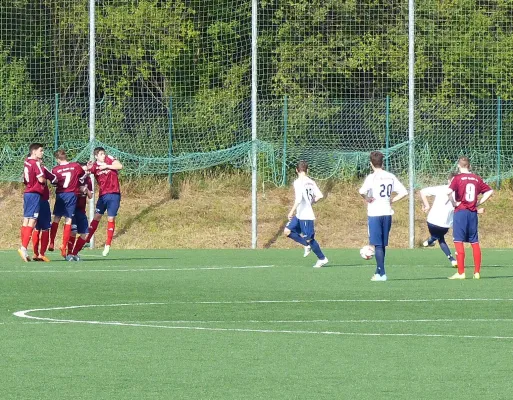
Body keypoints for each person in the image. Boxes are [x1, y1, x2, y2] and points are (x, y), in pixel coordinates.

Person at [359, 151, 408, 281]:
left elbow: (361, 191)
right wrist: (392, 200)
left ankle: (382, 273)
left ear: (371, 164)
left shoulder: (371, 177)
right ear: (382, 162)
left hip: (375, 213)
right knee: (381, 245)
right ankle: (378, 272)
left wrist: (367, 198)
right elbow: (404, 192)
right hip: (387, 213)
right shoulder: (390, 176)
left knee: (377, 244)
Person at [447, 157, 493, 280]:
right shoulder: (476, 178)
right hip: (472, 213)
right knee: (474, 241)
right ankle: (477, 272)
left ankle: (461, 273)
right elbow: (489, 191)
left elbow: (448, 192)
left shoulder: (457, 178)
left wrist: (453, 203)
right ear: (469, 166)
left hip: (461, 212)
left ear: (458, 166)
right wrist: (478, 203)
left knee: (458, 240)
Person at [283, 160, 328, 268]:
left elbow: (298, 199)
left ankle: (322, 258)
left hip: (306, 215)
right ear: (307, 170)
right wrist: (311, 202)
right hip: (300, 214)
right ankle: (306, 245)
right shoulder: (311, 182)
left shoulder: (298, 182)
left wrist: (291, 211)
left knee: (309, 238)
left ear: (296, 170)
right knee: (287, 231)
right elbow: (320, 196)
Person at [85, 147, 123, 257]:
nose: (103, 155)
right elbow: (87, 171)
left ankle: (108, 244)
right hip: (103, 196)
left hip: (114, 194)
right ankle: (87, 239)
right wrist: (87, 168)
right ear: (96, 156)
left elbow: (119, 166)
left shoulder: (109, 160)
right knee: (97, 217)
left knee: (110, 218)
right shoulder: (95, 166)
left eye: (104, 153)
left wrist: (107, 166)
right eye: (101, 154)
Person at [49, 149, 85, 259]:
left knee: (56, 218)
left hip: (61, 194)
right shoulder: (75, 166)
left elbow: (53, 182)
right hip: (71, 194)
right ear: (65, 156)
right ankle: (63, 246)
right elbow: (82, 176)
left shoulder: (54, 169)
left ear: (57, 159)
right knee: (68, 219)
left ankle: (51, 242)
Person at [419, 174, 458, 268]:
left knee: (440, 238)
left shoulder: (441, 188)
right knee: (440, 237)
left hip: (431, 221)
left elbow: (422, 191)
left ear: (449, 181)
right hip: (444, 225)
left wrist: (427, 205)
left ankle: (431, 241)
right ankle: (431, 240)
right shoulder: (460, 192)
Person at [18, 143, 46, 262]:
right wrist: (44, 181)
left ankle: (23, 247)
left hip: (27, 192)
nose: (42, 153)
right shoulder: (35, 163)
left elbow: (24, 178)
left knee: (26, 219)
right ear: (34, 151)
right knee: (33, 220)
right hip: (34, 194)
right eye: (41, 150)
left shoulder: (26, 161)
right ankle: (23, 247)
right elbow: (41, 179)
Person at [32, 165, 57, 262]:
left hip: (32, 199)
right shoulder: (42, 168)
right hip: (42, 200)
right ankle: (41, 254)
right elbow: (54, 179)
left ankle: (35, 253)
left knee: (35, 226)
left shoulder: (28, 166)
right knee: (45, 227)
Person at [68, 170, 93, 261]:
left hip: (81, 210)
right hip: (72, 209)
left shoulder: (88, 180)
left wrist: (87, 190)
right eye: (83, 170)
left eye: (86, 170)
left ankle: (75, 253)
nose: (85, 172)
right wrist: (79, 189)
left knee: (85, 234)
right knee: (73, 232)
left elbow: (90, 196)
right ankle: (69, 253)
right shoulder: (74, 179)